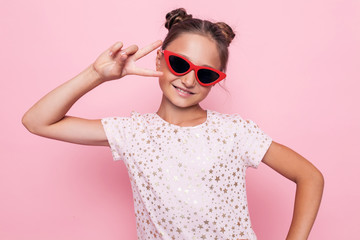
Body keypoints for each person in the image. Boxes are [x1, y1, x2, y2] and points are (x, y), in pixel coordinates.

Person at [22, 8, 324, 240]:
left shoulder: (234, 132)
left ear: (216, 81)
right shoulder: (133, 133)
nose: (189, 80)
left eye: (206, 74)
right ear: (159, 61)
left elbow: (310, 176)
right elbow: (37, 122)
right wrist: (96, 74)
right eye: (180, 64)